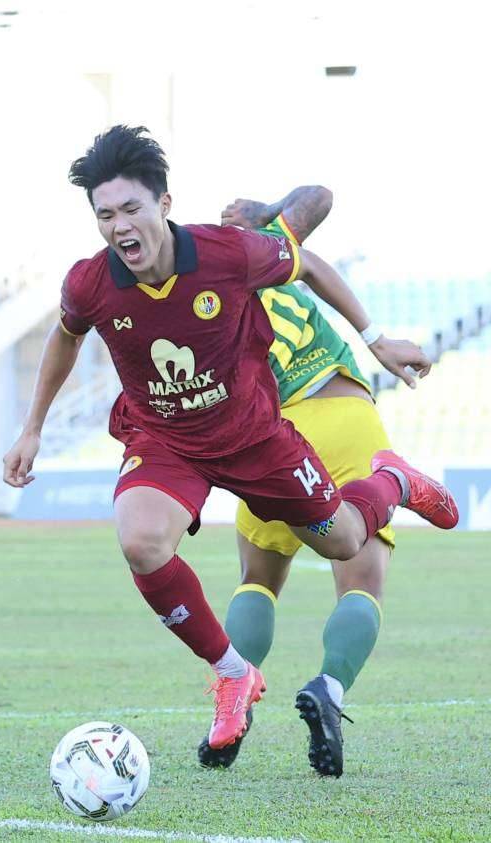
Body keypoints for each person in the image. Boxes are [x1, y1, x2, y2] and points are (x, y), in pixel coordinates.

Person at [2, 126, 457, 756]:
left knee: (345, 541)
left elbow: (308, 261)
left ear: (164, 204)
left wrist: (378, 341)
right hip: (165, 438)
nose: (119, 226)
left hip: (254, 438)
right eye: (105, 215)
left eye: (131, 208)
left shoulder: (229, 253)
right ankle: (232, 672)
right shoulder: (89, 283)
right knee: (140, 541)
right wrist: (32, 429)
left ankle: (394, 481)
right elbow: (67, 334)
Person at [196, 186, 420, 776]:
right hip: (344, 416)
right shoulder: (265, 247)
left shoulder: (199, 302)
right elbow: (318, 196)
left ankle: (233, 703)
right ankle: (330, 687)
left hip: (273, 438)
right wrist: (266, 215)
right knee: (361, 583)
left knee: (258, 580)